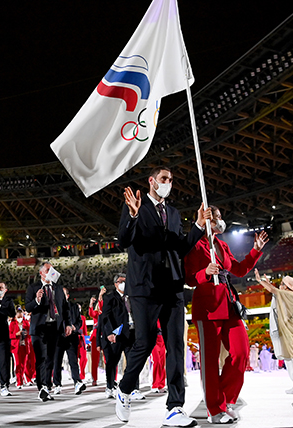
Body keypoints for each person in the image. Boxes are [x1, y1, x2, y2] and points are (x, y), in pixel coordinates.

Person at [116, 166, 206, 427]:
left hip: (173, 288)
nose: (168, 183)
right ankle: (124, 390)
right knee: (144, 343)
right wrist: (133, 216)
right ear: (152, 181)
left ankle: (175, 407)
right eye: (164, 179)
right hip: (144, 287)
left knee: (175, 346)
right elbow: (123, 240)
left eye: (171, 179)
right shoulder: (137, 206)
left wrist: (199, 226)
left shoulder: (174, 213)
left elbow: (180, 248)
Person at [184, 204, 268, 424]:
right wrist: (205, 272)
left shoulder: (222, 245)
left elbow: (238, 270)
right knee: (210, 363)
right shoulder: (194, 245)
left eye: (220, 217)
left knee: (241, 352)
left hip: (230, 305)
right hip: (208, 307)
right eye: (216, 217)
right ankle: (215, 409)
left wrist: (256, 250)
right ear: (205, 219)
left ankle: (227, 400)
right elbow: (189, 278)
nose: (220, 220)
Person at [25, 261, 73, 402]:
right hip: (39, 328)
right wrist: (37, 300)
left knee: (50, 358)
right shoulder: (33, 288)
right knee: (41, 358)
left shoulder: (58, 288)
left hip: (54, 327)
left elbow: (65, 308)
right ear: (41, 273)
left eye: (52, 269)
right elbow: (28, 307)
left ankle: (47, 386)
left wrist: (68, 324)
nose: (51, 271)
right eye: (48, 269)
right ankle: (42, 387)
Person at [254, 269, 293, 394]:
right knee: (288, 359)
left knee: (290, 358)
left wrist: (261, 281)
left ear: (287, 287)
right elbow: (275, 294)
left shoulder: (291, 295)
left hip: (288, 331)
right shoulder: (287, 295)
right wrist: (268, 283)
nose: (280, 285)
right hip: (286, 330)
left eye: (282, 284)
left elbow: (274, 291)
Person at [100, 274, 141, 400]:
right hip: (117, 334)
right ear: (115, 284)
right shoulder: (110, 297)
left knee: (133, 362)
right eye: (120, 282)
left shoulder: (132, 296)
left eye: (125, 281)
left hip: (131, 333)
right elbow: (105, 317)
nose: (123, 284)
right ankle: (110, 386)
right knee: (112, 362)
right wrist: (109, 333)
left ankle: (134, 388)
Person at [52, 287, 87, 396]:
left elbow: (79, 322)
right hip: (58, 338)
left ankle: (77, 382)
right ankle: (57, 384)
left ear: (67, 296)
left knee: (73, 361)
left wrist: (73, 327)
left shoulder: (74, 307)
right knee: (57, 362)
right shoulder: (54, 308)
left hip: (72, 337)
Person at [10, 308, 30, 389]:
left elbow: (30, 333)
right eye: (18, 316)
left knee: (23, 365)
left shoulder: (26, 323)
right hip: (16, 347)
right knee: (17, 365)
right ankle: (19, 381)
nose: (20, 318)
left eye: (21, 316)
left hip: (24, 346)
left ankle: (22, 379)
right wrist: (16, 334)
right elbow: (9, 335)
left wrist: (26, 334)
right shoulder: (12, 324)